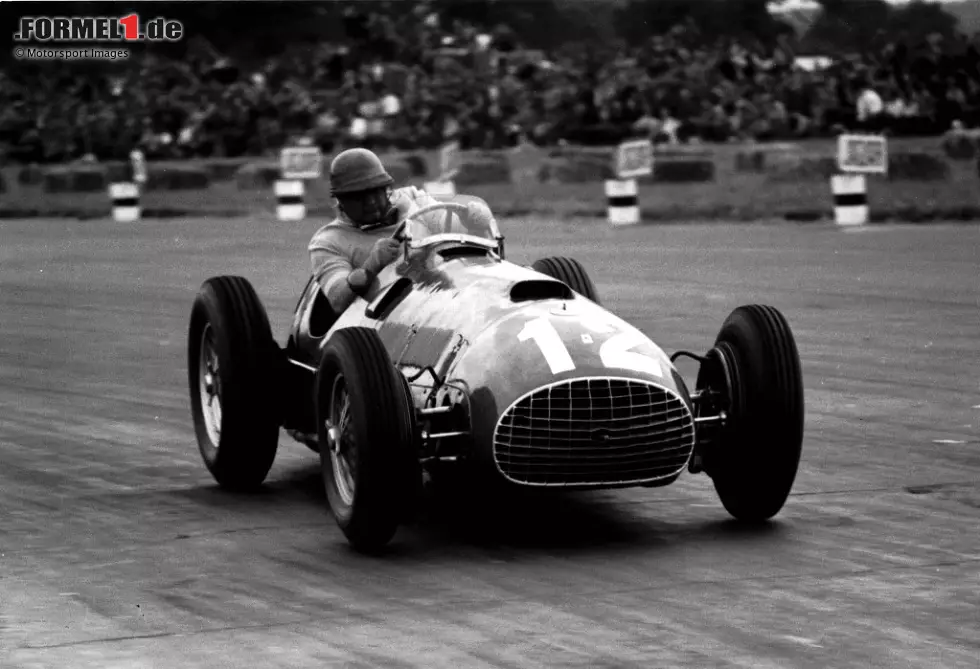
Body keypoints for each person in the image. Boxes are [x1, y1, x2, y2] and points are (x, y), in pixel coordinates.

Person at [308, 148, 492, 316]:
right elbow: (338, 299)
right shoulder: (328, 241)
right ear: (341, 200)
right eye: (359, 197)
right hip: (395, 320)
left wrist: (470, 219)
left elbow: (446, 222)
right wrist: (372, 265)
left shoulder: (412, 198)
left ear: (386, 188)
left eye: (376, 192)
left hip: (450, 294)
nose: (371, 202)